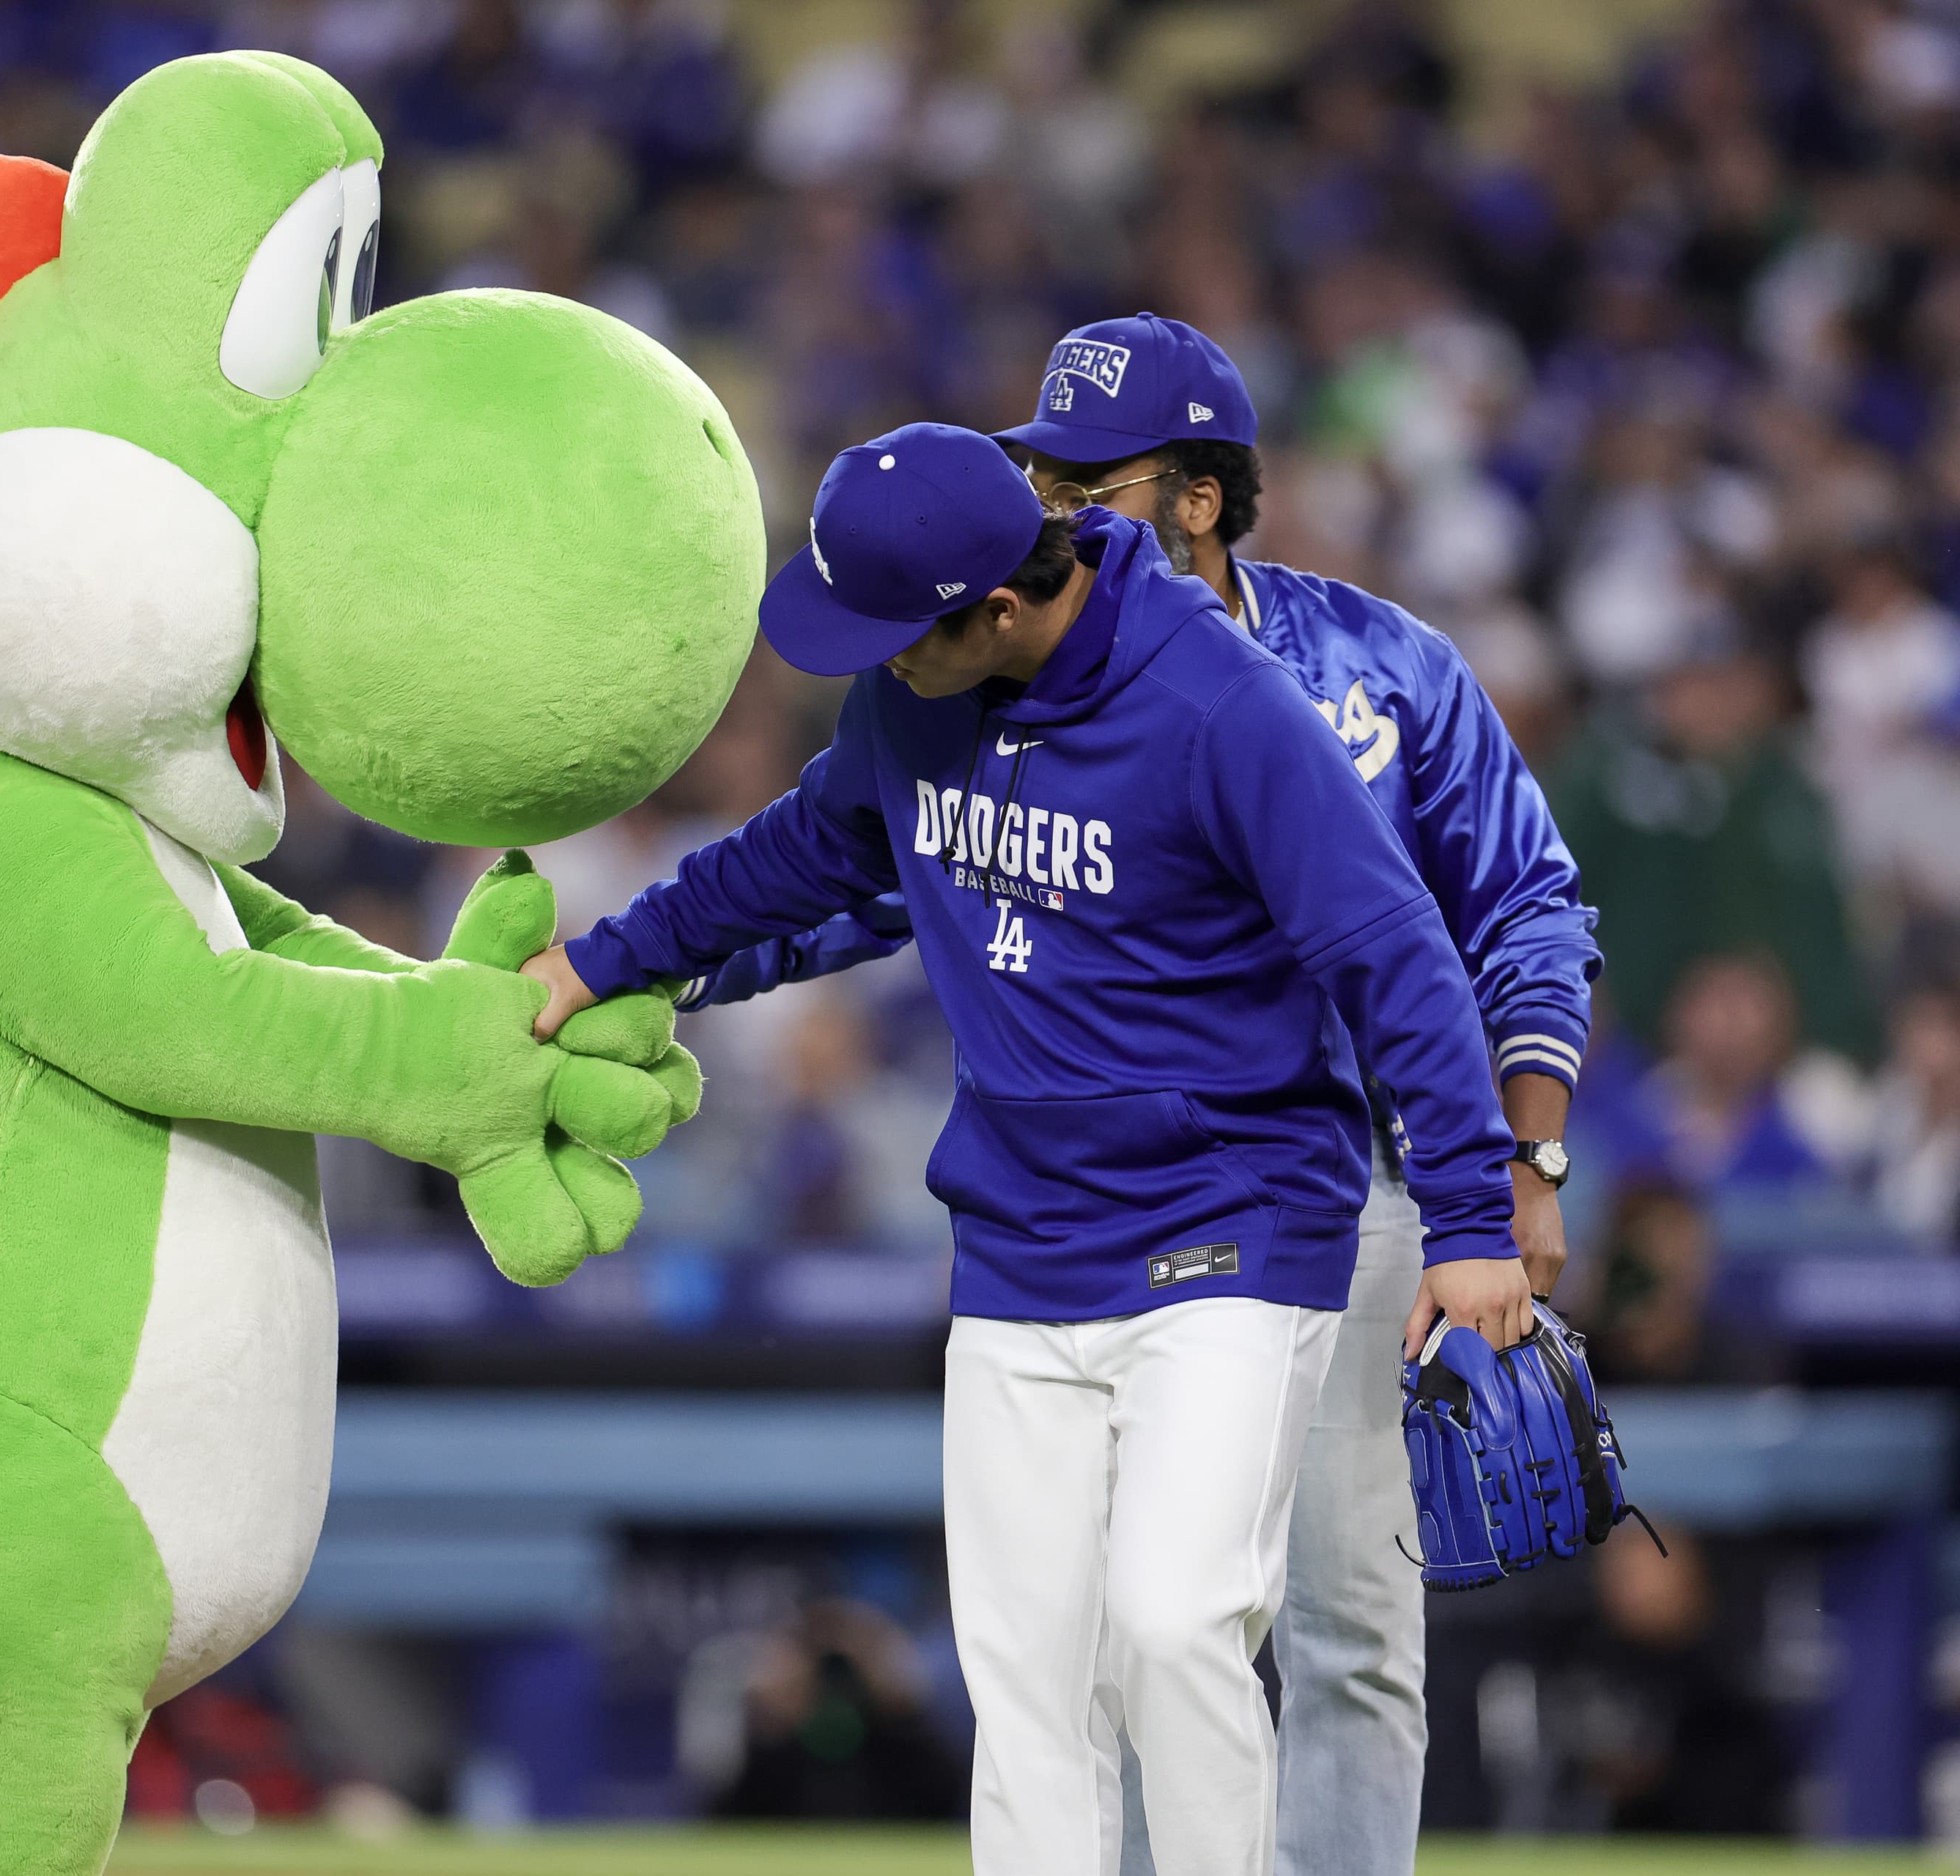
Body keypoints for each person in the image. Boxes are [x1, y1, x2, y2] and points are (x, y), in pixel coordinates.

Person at [654, 316, 1604, 1876]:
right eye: (1041, 467)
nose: (1052, 495)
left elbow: (1523, 909)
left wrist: (1520, 1160)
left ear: (1202, 496)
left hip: (1373, 1180)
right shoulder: (1009, 671)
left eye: (1089, 475)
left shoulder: (1381, 668)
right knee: (1132, 1631)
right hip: (1127, 1197)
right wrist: (668, 973)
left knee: (1344, 1624)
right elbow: (878, 869)